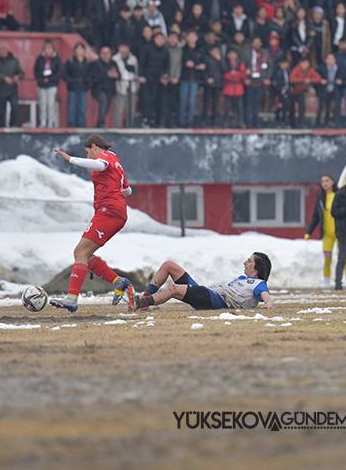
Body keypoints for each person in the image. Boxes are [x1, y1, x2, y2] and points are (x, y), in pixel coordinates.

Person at [50, 134, 134, 313]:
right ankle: (118, 282)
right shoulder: (115, 160)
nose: (88, 156)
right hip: (113, 212)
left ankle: (72, 299)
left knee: (79, 252)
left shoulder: (104, 158)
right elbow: (128, 190)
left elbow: (99, 165)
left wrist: (70, 159)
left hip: (109, 212)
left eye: (88, 152)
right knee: (86, 256)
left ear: (95, 147)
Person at [134, 253, 273, 311]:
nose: (245, 263)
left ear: (257, 267)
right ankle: (146, 299)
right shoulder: (243, 279)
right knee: (168, 265)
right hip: (208, 293)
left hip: (214, 300)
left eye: (249, 261)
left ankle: (140, 303)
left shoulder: (258, 284)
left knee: (173, 289)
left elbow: (265, 295)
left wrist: (268, 304)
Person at [305, 174, 346, 287]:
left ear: (332, 182)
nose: (325, 183)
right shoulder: (321, 199)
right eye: (322, 181)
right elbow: (316, 217)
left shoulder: (340, 195)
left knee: (343, 257)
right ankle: (326, 281)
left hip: (340, 232)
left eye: (327, 180)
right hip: (327, 234)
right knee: (327, 258)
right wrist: (309, 232)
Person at [0, 43, 24, 127]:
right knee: (1, 111)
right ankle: (1, 128)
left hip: (12, 89)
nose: (3, 51)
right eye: (1, 49)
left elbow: (21, 73)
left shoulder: (14, 60)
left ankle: (13, 125)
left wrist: (17, 77)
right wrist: (4, 77)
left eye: (5, 49)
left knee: (15, 106)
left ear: (8, 50)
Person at [90, 45, 119, 128]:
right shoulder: (96, 64)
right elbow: (93, 76)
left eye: (107, 53)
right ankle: (101, 123)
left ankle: (100, 123)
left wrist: (115, 75)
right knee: (103, 100)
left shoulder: (113, 63)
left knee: (106, 107)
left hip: (110, 89)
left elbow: (118, 75)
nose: (106, 55)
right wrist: (106, 75)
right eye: (103, 53)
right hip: (98, 89)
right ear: (100, 54)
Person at [64, 42, 91, 127]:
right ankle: (71, 123)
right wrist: (70, 80)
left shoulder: (87, 62)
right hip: (72, 87)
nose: (79, 51)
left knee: (82, 107)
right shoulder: (70, 61)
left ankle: (81, 124)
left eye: (81, 49)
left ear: (84, 50)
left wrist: (87, 83)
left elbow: (90, 74)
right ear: (75, 50)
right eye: (77, 48)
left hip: (83, 87)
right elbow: (64, 74)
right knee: (71, 107)